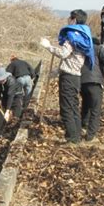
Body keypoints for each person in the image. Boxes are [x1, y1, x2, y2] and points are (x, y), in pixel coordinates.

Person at [40, 9, 94, 145]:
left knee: (66, 109)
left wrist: (48, 47)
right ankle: (76, 136)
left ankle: (72, 139)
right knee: (73, 107)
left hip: (68, 78)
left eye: (70, 17)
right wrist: (57, 71)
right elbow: (72, 58)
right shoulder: (83, 36)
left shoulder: (72, 36)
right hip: (75, 77)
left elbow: (64, 53)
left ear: (74, 19)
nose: (68, 19)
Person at [81, 37, 104, 143]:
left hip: (82, 81)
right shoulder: (100, 49)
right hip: (96, 82)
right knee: (95, 109)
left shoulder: (83, 49)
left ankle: (83, 126)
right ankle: (90, 136)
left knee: (85, 105)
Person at [0, 67, 24, 137]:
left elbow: (11, 96)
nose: (1, 81)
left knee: (16, 115)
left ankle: (11, 134)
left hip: (16, 96)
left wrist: (7, 111)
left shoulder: (12, 81)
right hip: (6, 95)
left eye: (2, 80)